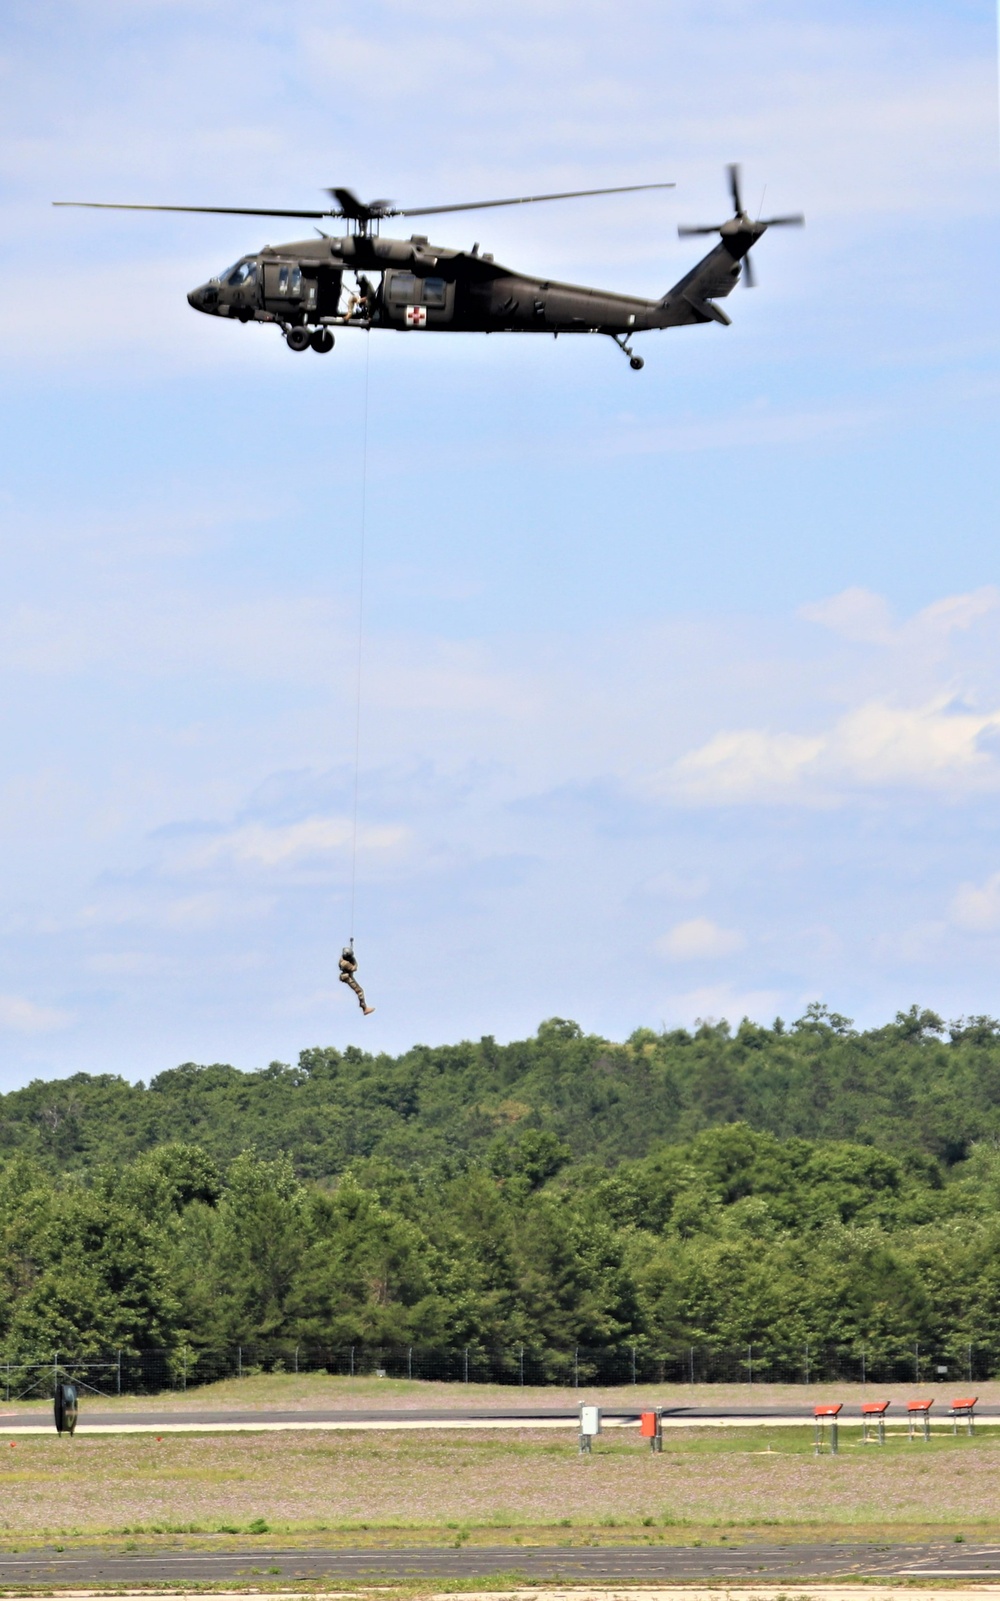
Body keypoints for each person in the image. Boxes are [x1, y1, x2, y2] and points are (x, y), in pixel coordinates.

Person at [339, 940, 374, 1015]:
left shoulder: (342, 958)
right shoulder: (345, 963)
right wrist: (354, 960)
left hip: (346, 975)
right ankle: (364, 1008)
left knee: (360, 991)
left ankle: (364, 1007)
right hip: (347, 977)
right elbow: (354, 968)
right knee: (359, 991)